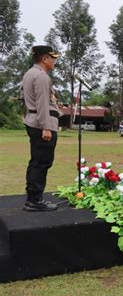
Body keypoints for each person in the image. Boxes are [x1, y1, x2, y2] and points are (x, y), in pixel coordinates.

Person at [22, 45, 61, 211]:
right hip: (42, 124)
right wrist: (46, 127)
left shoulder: (30, 73)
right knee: (42, 162)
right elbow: (43, 103)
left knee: (36, 161)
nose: (54, 62)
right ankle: (36, 200)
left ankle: (33, 197)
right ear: (44, 58)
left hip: (33, 121)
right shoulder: (41, 76)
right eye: (52, 58)